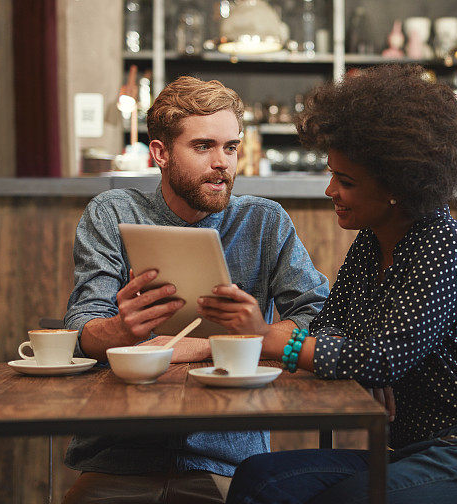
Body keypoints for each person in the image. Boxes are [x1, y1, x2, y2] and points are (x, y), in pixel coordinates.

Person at [225, 65, 457, 504]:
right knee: (259, 479)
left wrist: (272, 339)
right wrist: (355, 360)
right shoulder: (371, 243)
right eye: (332, 173)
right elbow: (331, 327)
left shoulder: (442, 244)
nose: (329, 190)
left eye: (347, 181)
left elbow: (383, 358)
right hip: (414, 451)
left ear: (397, 184)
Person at [61, 76, 329, 504]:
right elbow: (82, 330)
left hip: (228, 459)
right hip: (120, 455)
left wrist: (198, 346)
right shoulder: (112, 213)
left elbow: (319, 316)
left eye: (231, 147)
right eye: (203, 146)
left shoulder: (264, 221)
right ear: (161, 153)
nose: (222, 162)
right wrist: (119, 331)